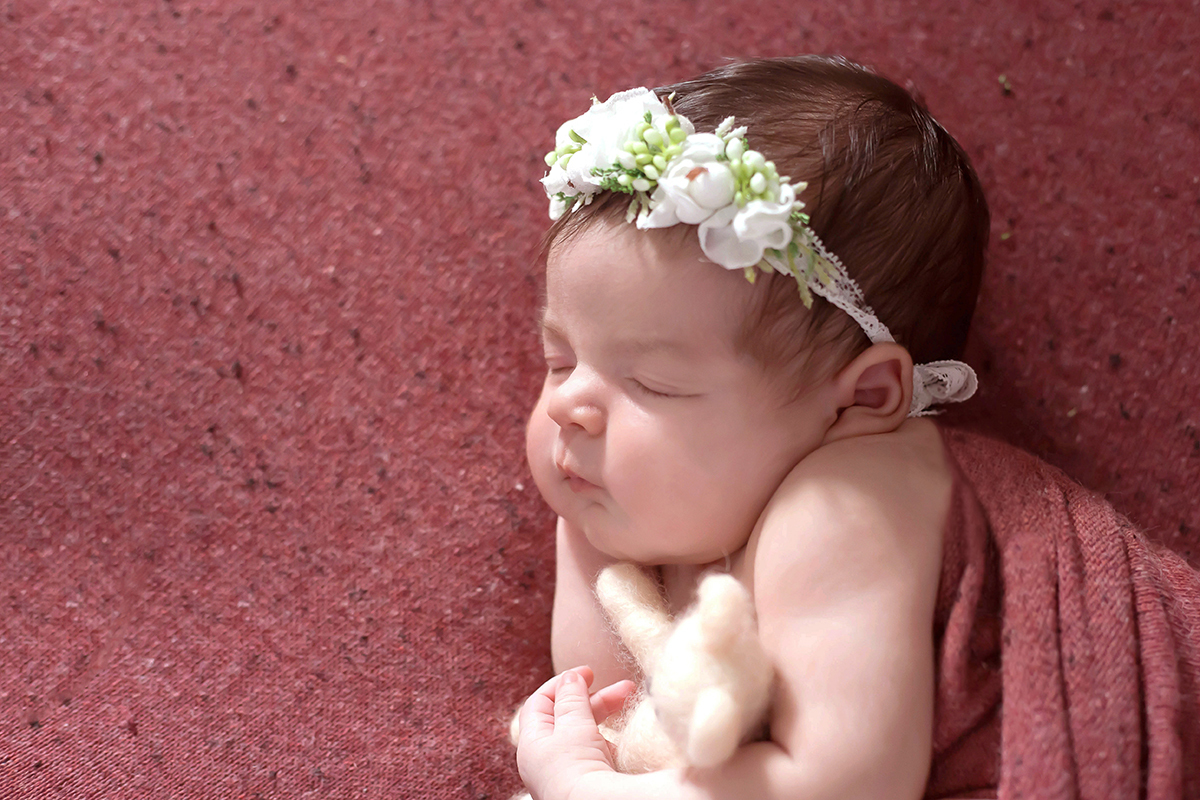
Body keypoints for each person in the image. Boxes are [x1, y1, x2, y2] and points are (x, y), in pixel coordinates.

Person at [514, 56, 1200, 800]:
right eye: (560, 360)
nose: (567, 406)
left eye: (653, 383)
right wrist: (588, 524)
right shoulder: (651, 494)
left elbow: (845, 783)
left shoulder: (845, 500)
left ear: (861, 399)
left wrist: (585, 789)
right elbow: (614, 713)